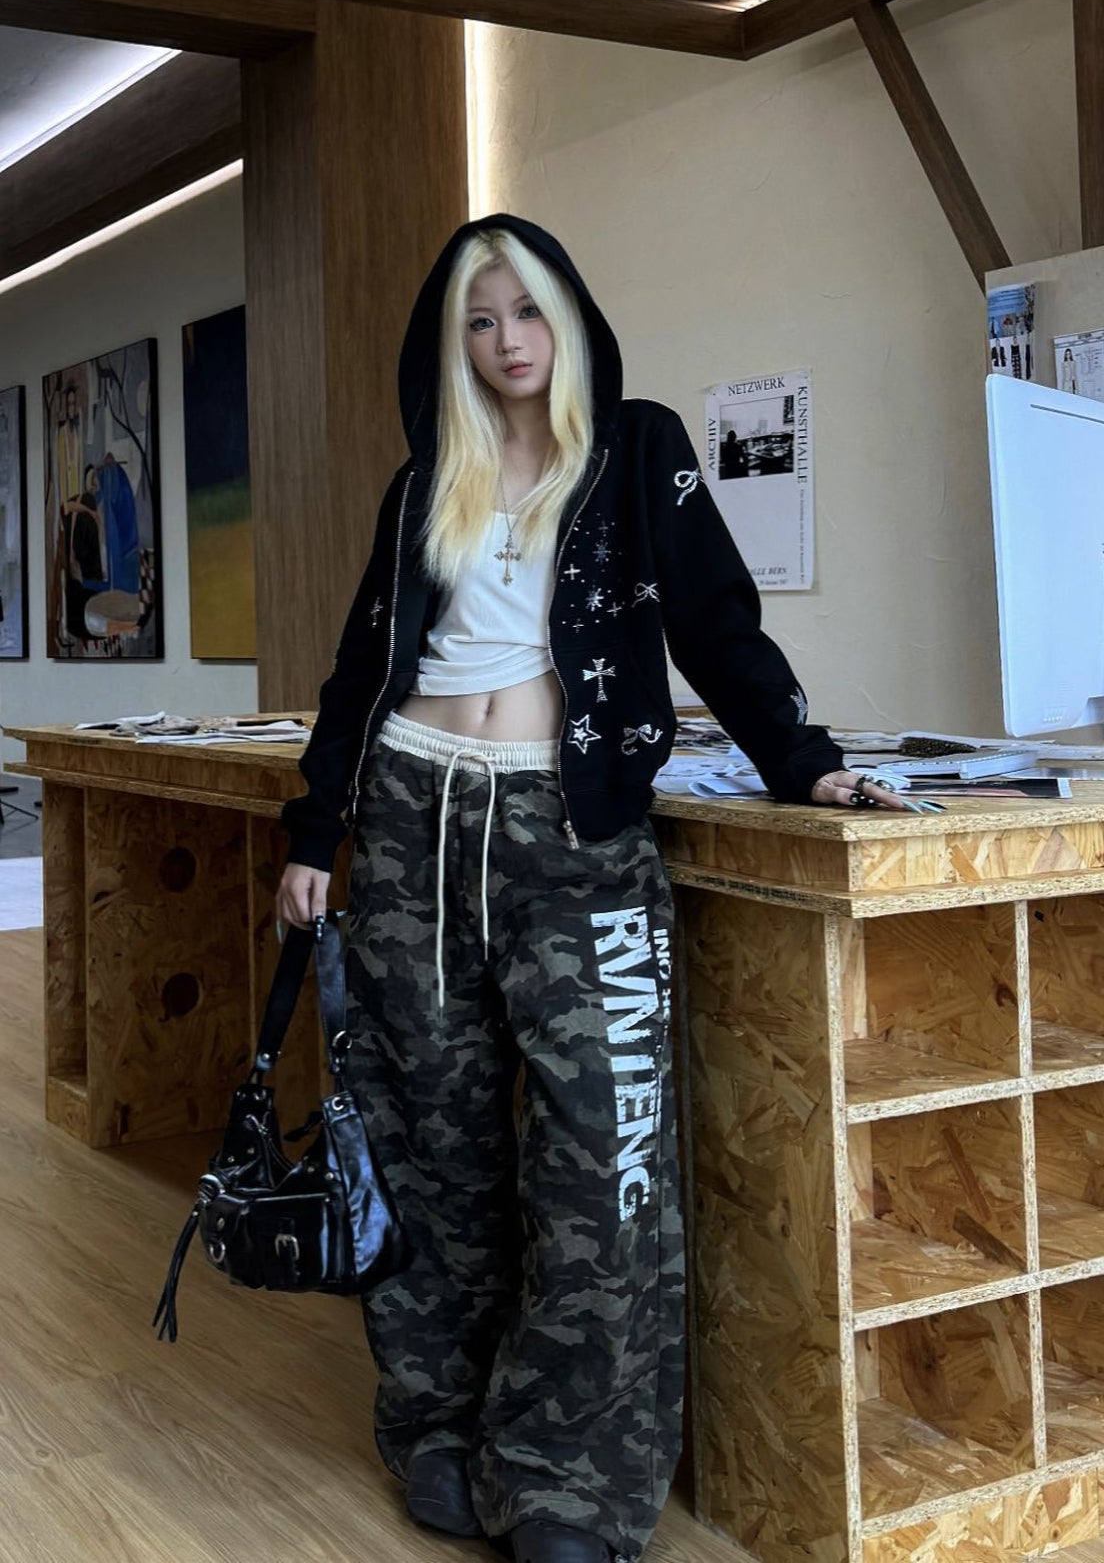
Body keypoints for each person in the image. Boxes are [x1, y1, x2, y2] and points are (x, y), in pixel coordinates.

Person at [275, 213, 905, 1563]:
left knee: (601, 1160)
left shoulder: (636, 451)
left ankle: (567, 1485)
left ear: (567, 315)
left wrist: (807, 762)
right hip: (411, 825)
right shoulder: (424, 484)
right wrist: (316, 832)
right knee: (430, 1149)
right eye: (479, 320)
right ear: (451, 344)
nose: (507, 341)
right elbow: (360, 669)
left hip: (573, 838)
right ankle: (439, 1428)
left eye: (527, 311)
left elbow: (719, 623)